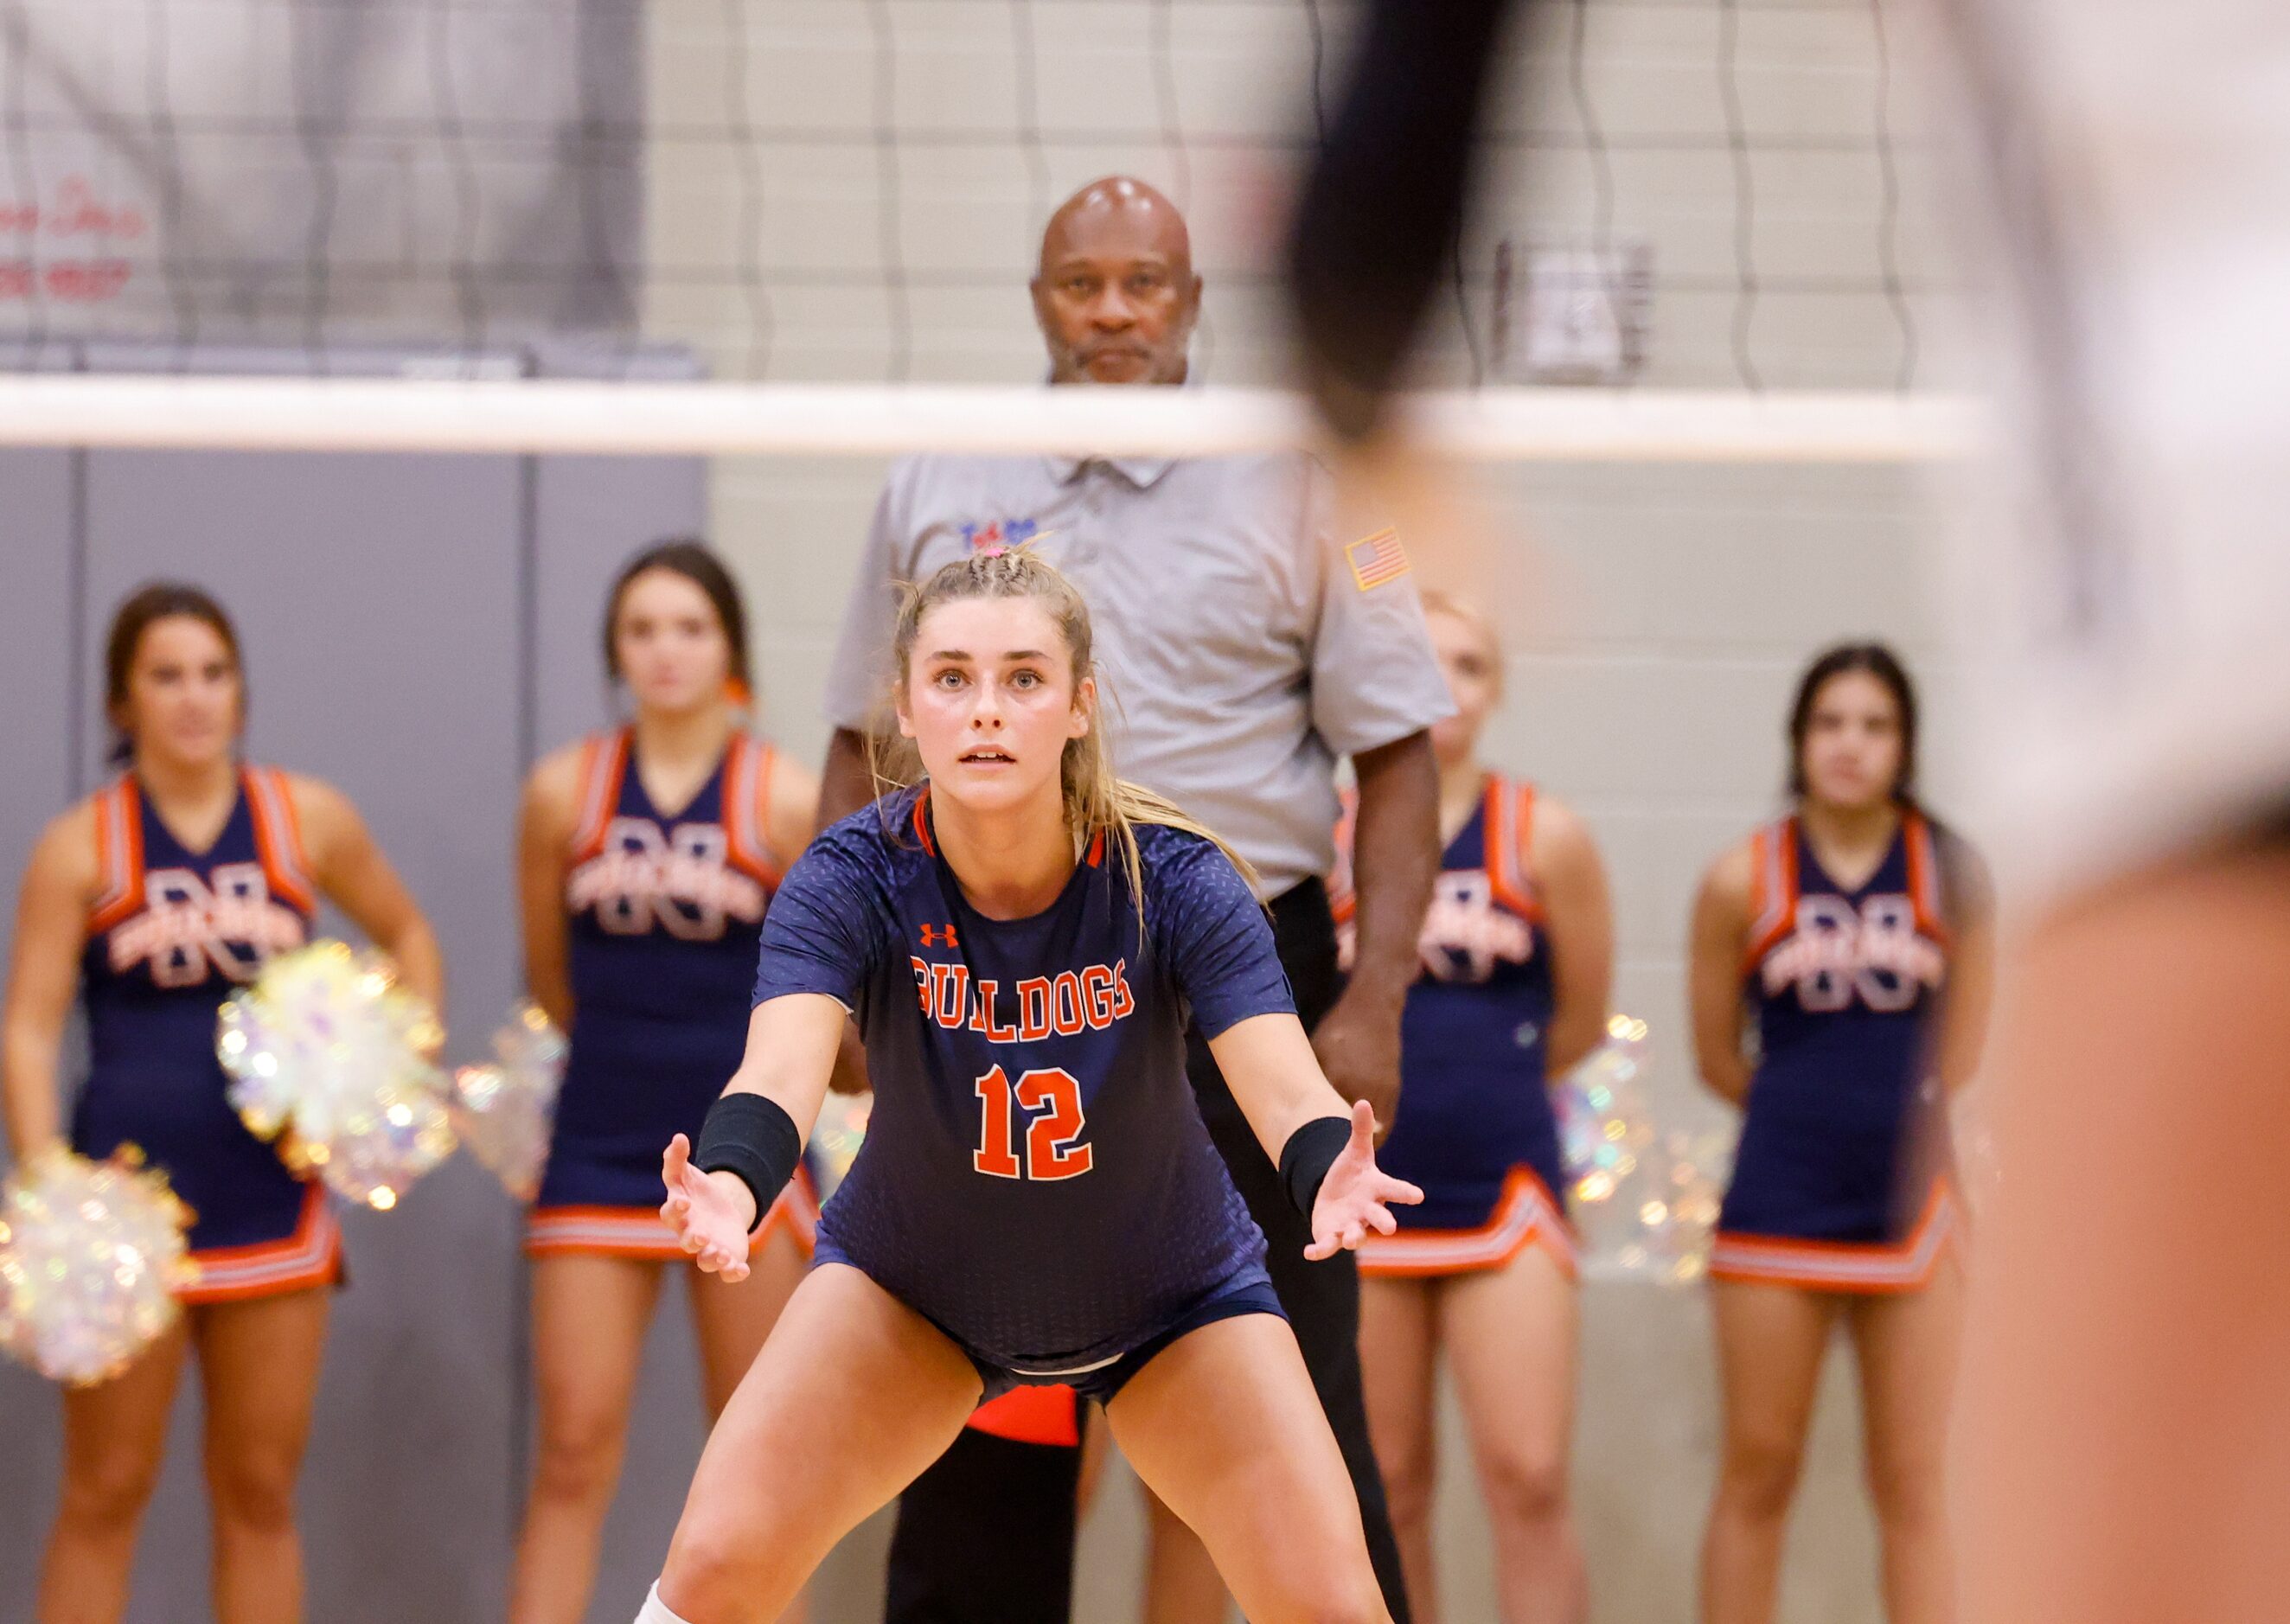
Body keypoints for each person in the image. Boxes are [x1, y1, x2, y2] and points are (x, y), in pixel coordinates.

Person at [821, 176, 1445, 1622]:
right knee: (981, 1428)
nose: (1112, 310)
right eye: (1080, 282)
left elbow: (1400, 746)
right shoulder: (932, 478)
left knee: (1302, 1421)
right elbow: (859, 743)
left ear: (1192, 299)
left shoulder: (1320, 484)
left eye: (1144, 282)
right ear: (1038, 298)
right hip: (983, 986)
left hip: (1238, 981)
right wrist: (850, 981)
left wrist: (1372, 1000)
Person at [632, 548, 1418, 1624]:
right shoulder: (850, 876)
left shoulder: (1175, 876)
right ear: (906, 708)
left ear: (1080, 705)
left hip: (1171, 1302)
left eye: (1023, 678)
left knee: (1334, 1603)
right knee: (713, 1570)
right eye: (951, 679)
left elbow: (1283, 1084)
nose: (985, 712)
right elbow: (778, 1071)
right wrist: (729, 1183)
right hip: (914, 1292)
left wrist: (1327, 1167)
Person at [0, 581, 443, 1624]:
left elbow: (410, 937)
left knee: (256, 1490)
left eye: (213, 673)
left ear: (240, 690)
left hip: (269, 1200)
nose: (194, 698)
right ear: (123, 702)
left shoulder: (305, 820)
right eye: (165, 676)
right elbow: (28, 1024)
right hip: (126, 1215)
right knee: (104, 1493)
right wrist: (49, 1180)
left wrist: (377, 1086)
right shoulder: (82, 846)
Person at [509, 541, 822, 1624]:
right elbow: (552, 981)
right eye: (642, 630)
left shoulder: (782, 797)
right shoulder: (562, 791)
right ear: (615, 652)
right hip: (599, 1147)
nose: (666, 650)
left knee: (759, 1465)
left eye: (690, 626)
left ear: (730, 644)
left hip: (748, 1154)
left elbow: (822, 991)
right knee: (571, 1451)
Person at [1688, 645, 1992, 1624]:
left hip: (1914, 1207)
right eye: (1829, 723)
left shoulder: (1952, 872)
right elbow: (1714, 1057)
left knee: (1914, 1481)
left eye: (1873, 725)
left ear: (1904, 744)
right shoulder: (1740, 876)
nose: (1849, 745)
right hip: (1778, 1200)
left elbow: (1966, 1050)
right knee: (1758, 1468)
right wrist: (1805, 1117)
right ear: (1797, 740)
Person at [1340, 594, 1611, 1624]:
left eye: (1466, 662)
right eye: (1419, 659)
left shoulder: (1547, 834)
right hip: (1365, 1195)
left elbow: (1577, 1019)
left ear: (1494, 689)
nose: (1440, 684)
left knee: (1528, 1474)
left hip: (1506, 1186)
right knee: (1392, 1483)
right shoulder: (1326, 831)